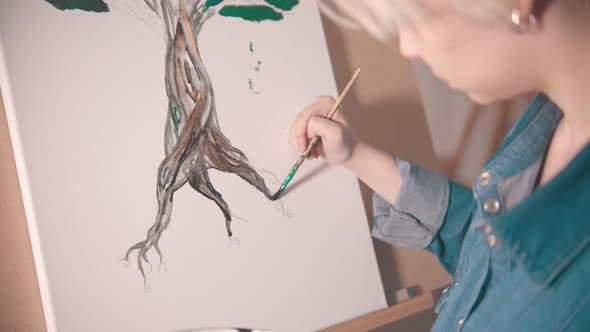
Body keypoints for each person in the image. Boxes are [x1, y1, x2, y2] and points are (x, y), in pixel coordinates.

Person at [290, 0, 590, 330]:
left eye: (416, 17)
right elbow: (493, 257)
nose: (407, 47)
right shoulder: (554, 122)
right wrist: (354, 155)